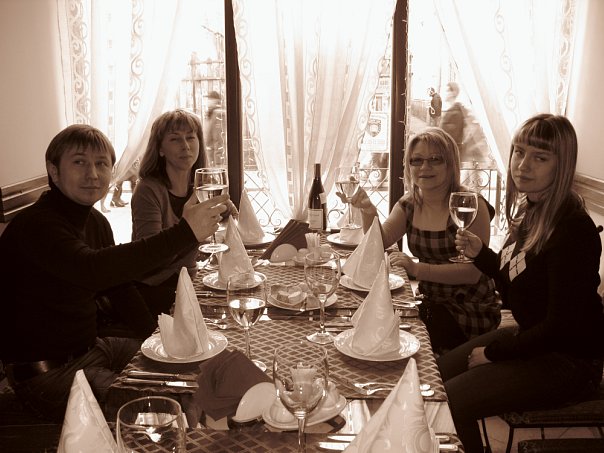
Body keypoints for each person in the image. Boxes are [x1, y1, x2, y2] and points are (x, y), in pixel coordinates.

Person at [0, 124, 228, 422]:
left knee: (193, 361)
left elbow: (120, 288)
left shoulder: (95, 221)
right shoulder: (36, 225)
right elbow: (92, 270)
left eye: (101, 163)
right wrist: (184, 233)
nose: (93, 174)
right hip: (47, 374)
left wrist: (159, 338)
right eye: (79, 162)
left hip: (94, 348)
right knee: (174, 407)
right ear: (54, 171)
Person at [438, 114, 604, 453]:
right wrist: (482, 255)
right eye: (519, 152)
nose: (522, 165)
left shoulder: (573, 229)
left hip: (569, 362)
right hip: (534, 339)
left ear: (562, 165)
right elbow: (517, 285)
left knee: (448, 402)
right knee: (434, 374)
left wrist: (493, 354)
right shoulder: (533, 212)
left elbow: (560, 327)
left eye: (540, 157)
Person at [342, 127, 500, 354]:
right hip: (429, 301)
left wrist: (417, 269)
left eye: (435, 159)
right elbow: (377, 243)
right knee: (372, 324)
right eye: (416, 160)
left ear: (451, 164)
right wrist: (368, 211)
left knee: (399, 340)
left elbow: (472, 273)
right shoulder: (409, 204)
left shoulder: (470, 204)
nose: (424, 167)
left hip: (470, 307)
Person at [132, 109, 229, 317]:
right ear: (160, 149)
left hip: (189, 280)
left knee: (238, 293)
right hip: (154, 290)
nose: (185, 146)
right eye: (175, 139)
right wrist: (187, 230)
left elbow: (202, 241)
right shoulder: (148, 190)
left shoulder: (200, 188)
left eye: (190, 137)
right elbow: (150, 260)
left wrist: (225, 219)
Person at [440, 81, 465, 151]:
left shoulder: (456, 113)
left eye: (447, 90)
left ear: (453, 93)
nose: (444, 93)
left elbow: (451, 139)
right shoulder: (451, 111)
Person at [203, 91, 225, 167]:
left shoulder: (218, 114)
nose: (208, 101)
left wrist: (218, 164)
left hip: (215, 160)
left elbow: (218, 139)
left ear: (216, 101)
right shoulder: (210, 113)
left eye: (210, 99)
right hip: (210, 157)